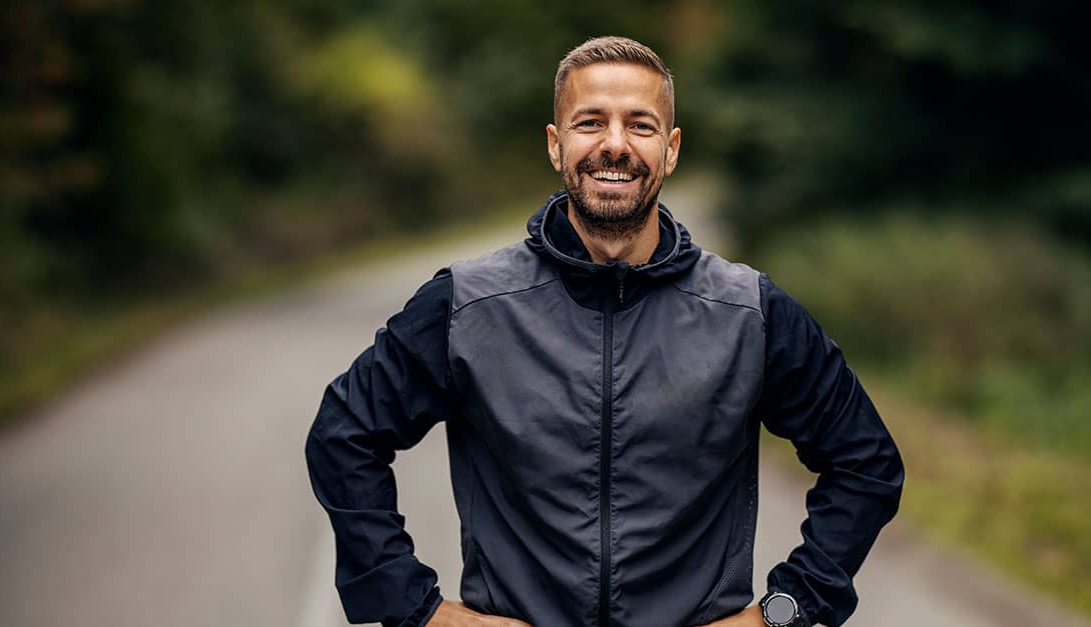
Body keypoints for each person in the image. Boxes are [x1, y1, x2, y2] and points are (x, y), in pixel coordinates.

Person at [306, 36, 903, 627]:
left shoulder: (748, 312)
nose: (614, 145)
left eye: (640, 125)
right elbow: (344, 435)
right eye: (590, 122)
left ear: (670, 150)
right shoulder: (469, 305)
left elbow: (865, 464)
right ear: (556, 144)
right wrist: (420, 608)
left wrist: (781, 614)